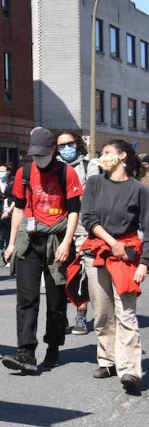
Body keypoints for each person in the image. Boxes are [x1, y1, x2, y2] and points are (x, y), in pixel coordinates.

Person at [1, 127, 82, 375]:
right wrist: (12, 242)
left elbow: (74, 210)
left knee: (57, 300)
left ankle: (54, 349)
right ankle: (25, 352)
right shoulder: (23, 172)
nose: (38, 159)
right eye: (34, 154)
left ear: (53, 150)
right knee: (26, 298)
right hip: (30, 238)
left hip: (57, 239)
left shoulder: (66, 173)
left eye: (42, 154)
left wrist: (67, 242)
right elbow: (18, 208)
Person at [76, 139, 146, 393]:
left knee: (126, 314)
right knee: (103, 313)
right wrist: (111, 242)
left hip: (127, 257)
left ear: (122, 156)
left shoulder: (139, 189)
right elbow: (88, 217)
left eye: (106, 153)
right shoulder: (94, 183)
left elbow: (147, 230)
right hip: (97, 252)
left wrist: (145, 263)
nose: (101, 157)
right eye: (101, 153)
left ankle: (129, 370)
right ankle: (108, 360)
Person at [56, 131, 100, 335]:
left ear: (78, 144)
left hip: (82, 230)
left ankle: (81, 316)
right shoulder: (53, 168)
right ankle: (60, 316)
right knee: (59, 275)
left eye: (70, 143)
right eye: (61, 145)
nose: (66, 148)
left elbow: (92, 195)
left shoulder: (89, 166)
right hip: (58, 229)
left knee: (80, 275)